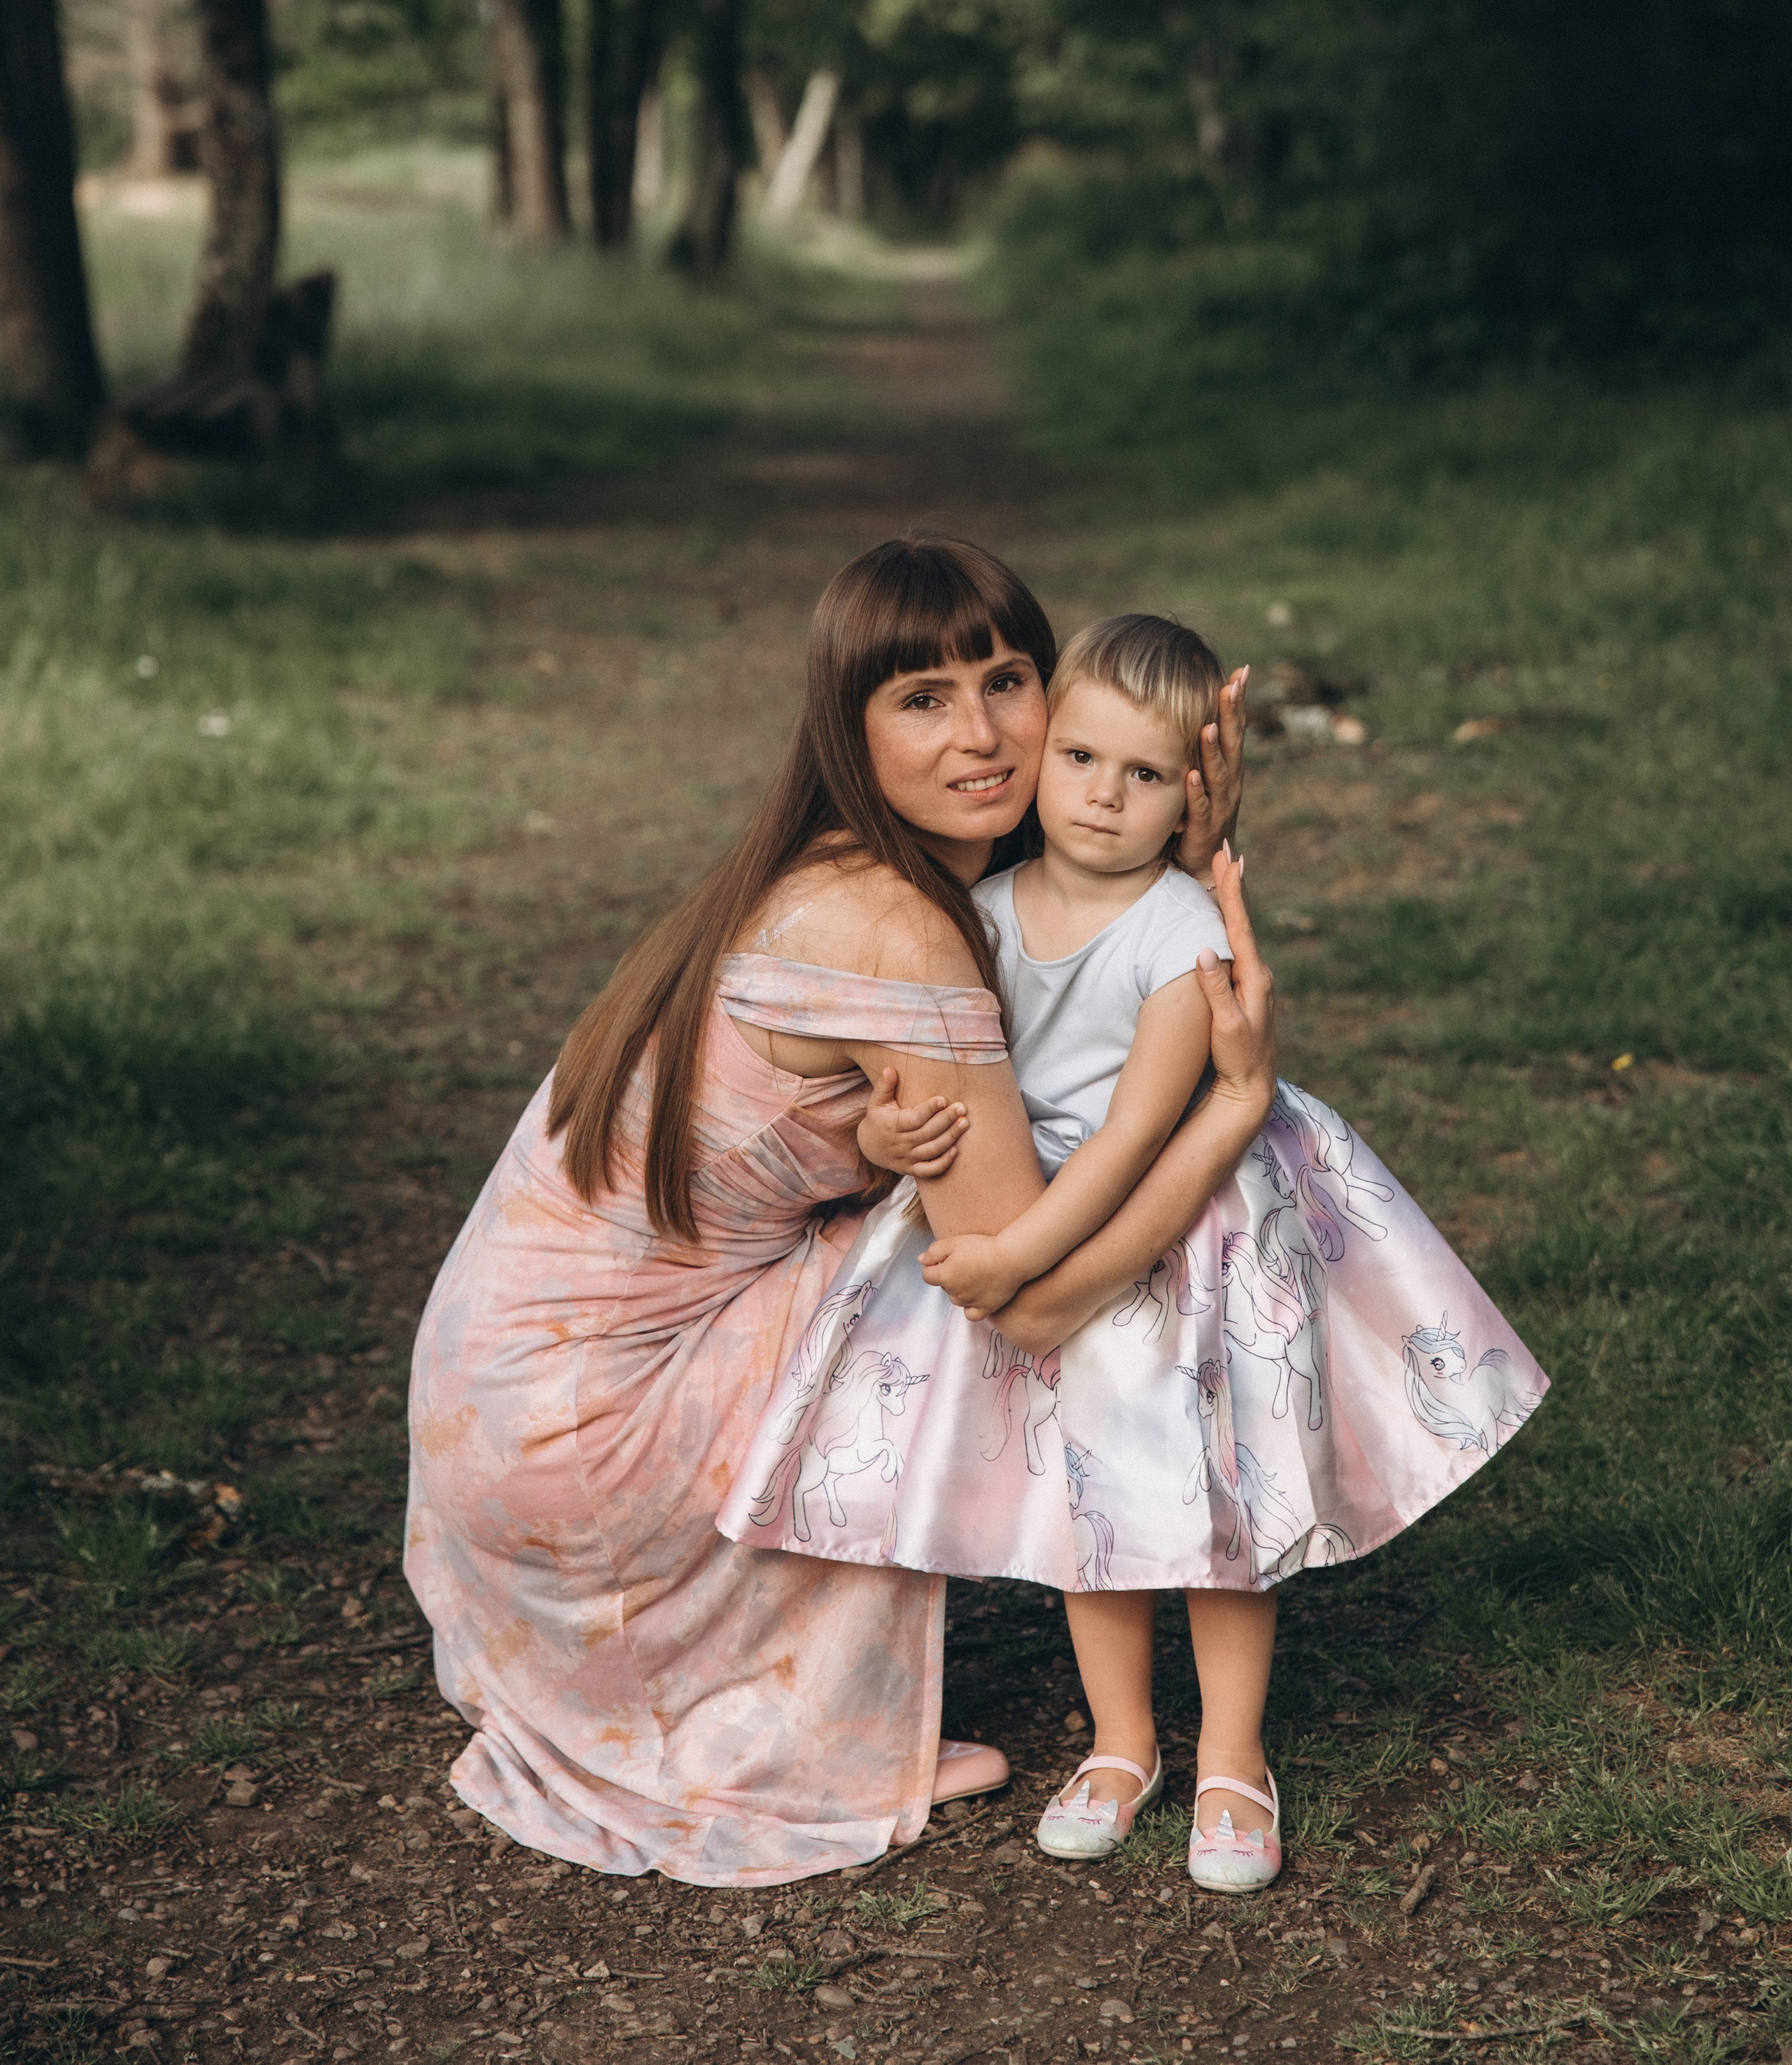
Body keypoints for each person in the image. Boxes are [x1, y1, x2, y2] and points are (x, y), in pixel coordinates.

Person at [405, 537, 1276, 1886]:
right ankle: (784, 1704)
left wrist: (1182, 857)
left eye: (1007, 681)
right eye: (923, 700)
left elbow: (1087, 936)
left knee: (924, 1236)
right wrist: (1232, 1108)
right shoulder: (895, 927)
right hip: (588, 1435)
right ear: (847, 728)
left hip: (499, 1393)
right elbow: (1031, 1299)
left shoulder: (843, 861)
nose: (982, 734)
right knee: (955, 1275)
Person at [722, 612, 1548, 1893]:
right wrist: (888, 1135)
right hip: (1039, 1197)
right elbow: (921, 1066)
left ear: (1193, 795)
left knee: (1216, 1496)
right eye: (1082, 760)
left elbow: (1130, 1134)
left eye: (1147, 774)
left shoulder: (1181, 933)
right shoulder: (975, 913)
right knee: (1086, 1496)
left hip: (1174, 1219)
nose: (1105, 796)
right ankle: (1121, 1744)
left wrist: (1012, 1257)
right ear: (1045, 753)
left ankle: (1233, 1757)